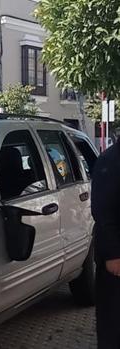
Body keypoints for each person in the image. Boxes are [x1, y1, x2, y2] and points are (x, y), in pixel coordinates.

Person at [91, 135, 120, 349]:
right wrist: (113, 255)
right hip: (117, 261)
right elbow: (103, 212)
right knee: (114, 323)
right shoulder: (111, 161)